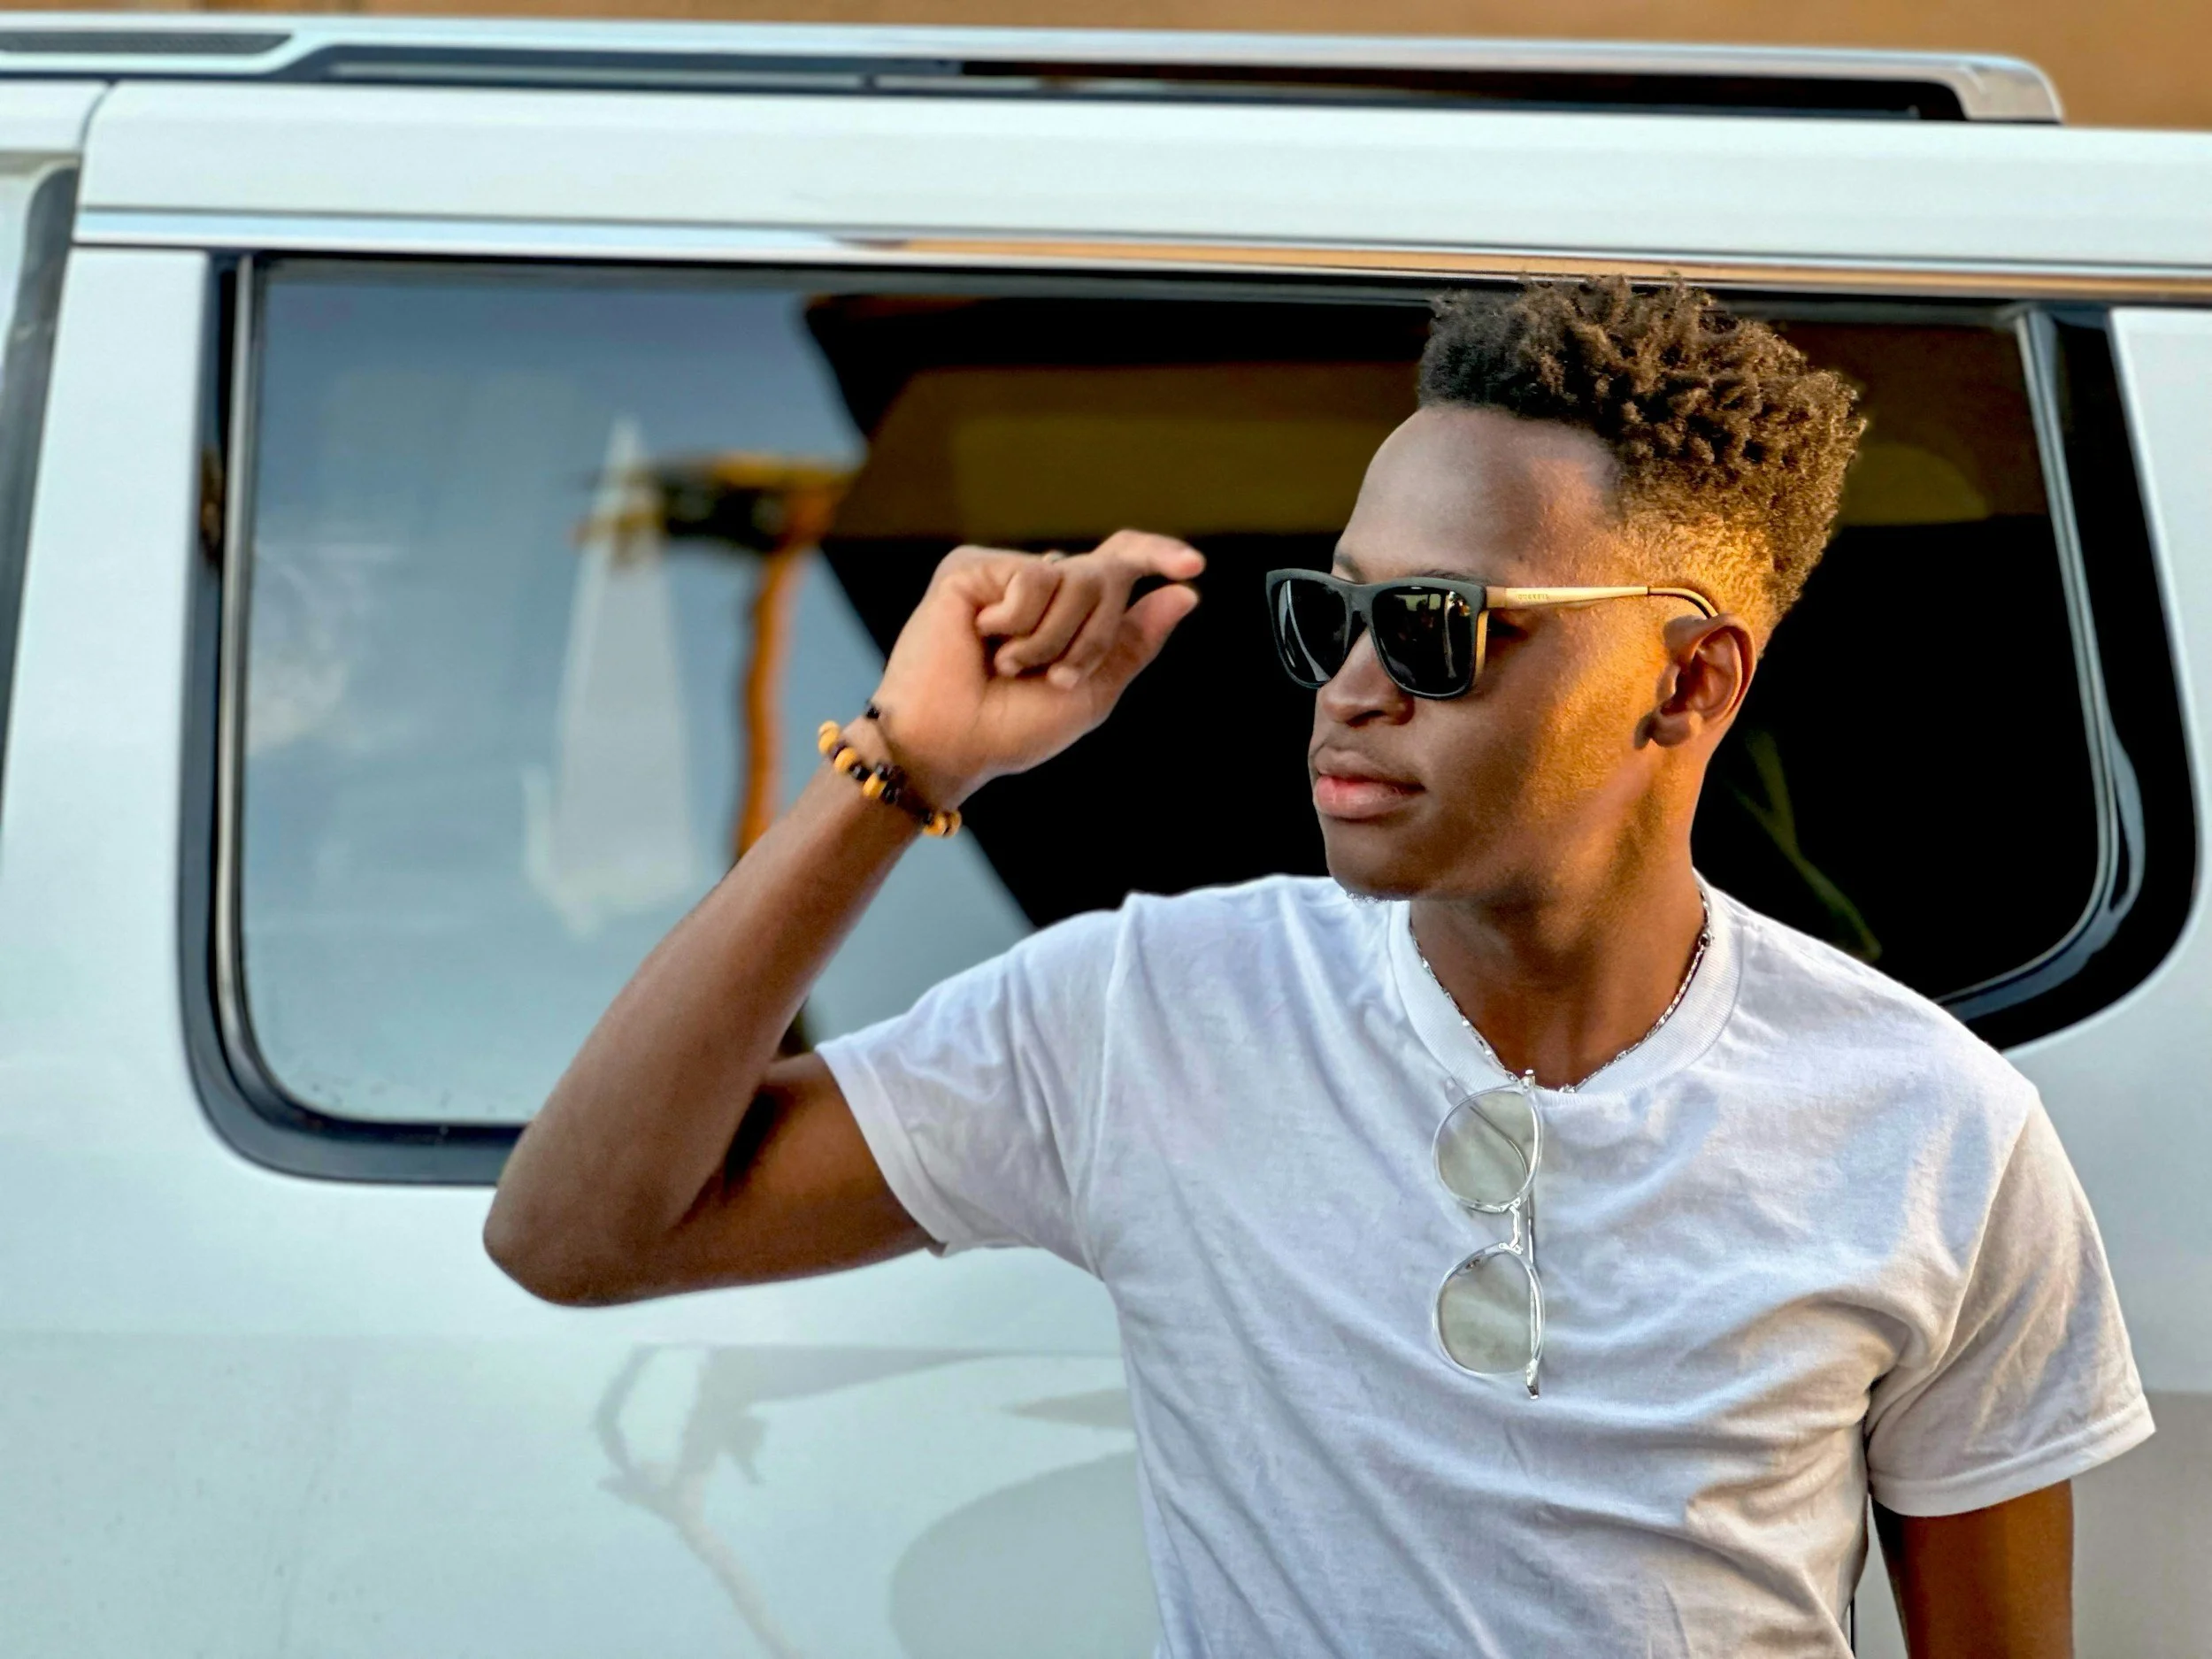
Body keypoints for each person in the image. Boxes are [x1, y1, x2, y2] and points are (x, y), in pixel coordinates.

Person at [484, 278, 2152, 1657]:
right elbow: (575, 1231)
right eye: (1331, 616)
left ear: (1689, 682)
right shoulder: (1151, 1015)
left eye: (1435, 626)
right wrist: (904, 765)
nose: (1352, 686)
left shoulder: (1933, 1128)